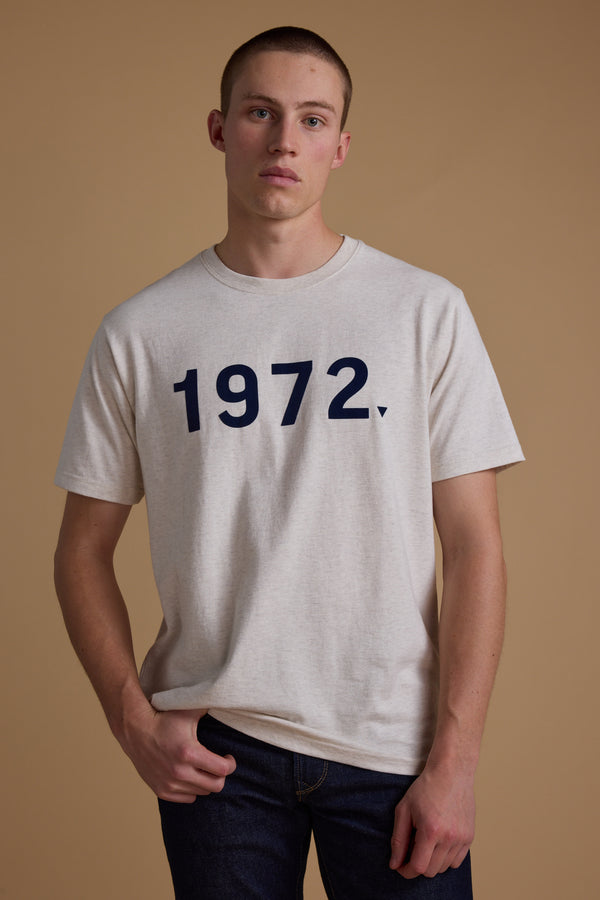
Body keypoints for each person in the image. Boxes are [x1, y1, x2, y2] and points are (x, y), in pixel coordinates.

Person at [54, 26, 524, 899]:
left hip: (394, 747)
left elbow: (475, 547)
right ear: (219, 128)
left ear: (340, 146)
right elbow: (81, 549)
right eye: (261, 113)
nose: (284, 140)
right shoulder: (142, 332)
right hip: (220, 755)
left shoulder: (423, 313)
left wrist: (457, 761)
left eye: (312, 120)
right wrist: (130, 718)